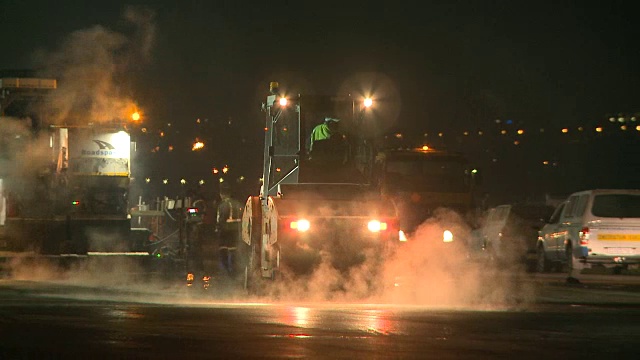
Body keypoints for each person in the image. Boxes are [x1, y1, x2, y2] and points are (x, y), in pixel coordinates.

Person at [215, 183, 243, 277]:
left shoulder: (222, 205)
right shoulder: (237, 203)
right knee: (234, 249)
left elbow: (221, 219)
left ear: (221, 194)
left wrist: (218, 230)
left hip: (225, 230)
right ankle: (235, 269)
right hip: (236, 229)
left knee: (223, 249)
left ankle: (226, 271)